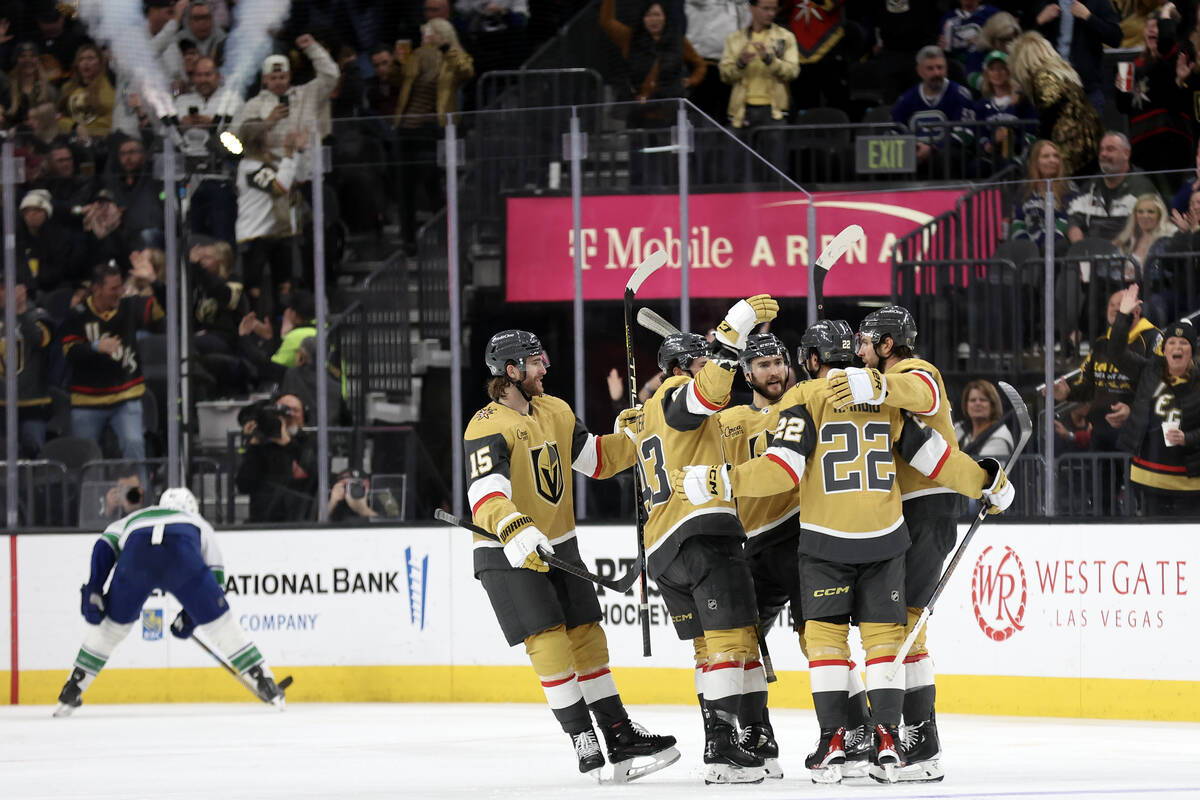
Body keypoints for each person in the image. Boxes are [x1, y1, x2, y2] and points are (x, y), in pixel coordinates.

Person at [675, 313, 1012, 785]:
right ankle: (888, 742)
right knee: (885, 641)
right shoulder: (879, 395)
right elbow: (932, 456)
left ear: (808, 361)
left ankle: (834, 742)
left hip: (825, 540)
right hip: (886, 536)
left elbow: (782, 469)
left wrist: (721, 480)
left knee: (828, 643)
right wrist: (985, 480)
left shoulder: (808, 396)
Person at [463, 329, 679, 781]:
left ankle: (620, 735)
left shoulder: (555, 410)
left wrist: (632, 435)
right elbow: (485, 492)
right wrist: (512, 524)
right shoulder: (486, 424)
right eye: (536, 361)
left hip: (559, 544)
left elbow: (596, 461)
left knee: (587, 636)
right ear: (511, 371)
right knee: (549, 641)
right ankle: (583, 739)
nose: (545, 367)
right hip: (506, 552)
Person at [620, 296, 780, 784]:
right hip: (700, 535)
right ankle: (722, 746)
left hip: (664, 548)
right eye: (700, 362)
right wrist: (733, 330)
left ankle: (748, 735)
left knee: (713, 650)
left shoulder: (646, 413)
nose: (710, 368)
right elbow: (708, 393)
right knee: (733, 642)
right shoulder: (675, 396)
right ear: (681, 367)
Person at [831, 305, 987, 781]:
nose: (858, 353)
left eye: (865, 343)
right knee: (900, 624)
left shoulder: (914, 371)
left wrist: (876, 383)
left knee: (909, 625)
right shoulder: (884, 381)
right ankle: (917, 737)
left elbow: (922, 392)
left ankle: (922, 740)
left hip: (930, 508)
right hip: (906, 512)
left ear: (886, 344)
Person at [718, 328, 872, 780]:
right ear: (746, 372)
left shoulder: (804, 402)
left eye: (779, 362)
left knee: (819, 638)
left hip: (800, 535)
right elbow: (682, 430)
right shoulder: (728, 421)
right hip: (749, 544)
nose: (774, 371)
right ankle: (757, 735)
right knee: (742, 642)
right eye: (763, 365)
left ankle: (857, 728)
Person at [54, 487, 285, 716]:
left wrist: (95, 585)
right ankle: (264, 682)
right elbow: (216, 581)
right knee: (221, 626)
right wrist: (190, 617)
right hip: (181, 558)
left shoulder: (135, 517)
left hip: (136, 559)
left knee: (111, 629)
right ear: (192, 507)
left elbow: (104, 545)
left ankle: (72, 687)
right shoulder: (198, 522)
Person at [61, 262, 164, 463]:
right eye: (114, 288)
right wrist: (95, 347)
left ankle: (137, 493)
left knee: (134, 443)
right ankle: (89, 494)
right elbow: (69, 352)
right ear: (96, 289)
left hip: (126, 396)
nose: (120, 292)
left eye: (121, 286)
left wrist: (154, 281)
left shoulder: (130, 305)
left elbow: (168, 306)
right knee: (84, 457)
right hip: (87, 400)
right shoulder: (77, 315)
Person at [1112, 285, 1200, 515]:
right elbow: (1116, 352)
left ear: (1192, 351)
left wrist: (1187, 437)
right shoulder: (1149, 370)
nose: (1177, 347)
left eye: (1184, 343)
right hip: (1149, 478)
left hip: (1190, 484)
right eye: (1172, 342)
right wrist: (1123, 316)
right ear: (1164, 348)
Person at [392, 18, 474, 253]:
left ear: (442, 35)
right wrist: (398, 65)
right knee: (404, 187)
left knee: (432, 183)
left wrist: (446, 48)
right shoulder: (416, 57)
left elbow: (467, 71)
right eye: (424, 35)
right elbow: (397, 82)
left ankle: (446, 238)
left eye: (429, 34)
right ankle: (408, 241)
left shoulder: (453, 58)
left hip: (433, 128)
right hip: (407, 128)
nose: (425, 39)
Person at [1050, 287, 1161, 451]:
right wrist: (1068, 393)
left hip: (1138, 436)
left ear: (1136, 310)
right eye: (1112, 305)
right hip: (1100, 435)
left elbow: (1159, 386)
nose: (1116, 309)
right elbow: (1089, 385)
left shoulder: (1153, 338)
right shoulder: (1102, 342)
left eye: (1121, 304)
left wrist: (1132, 409)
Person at [232, 35, 340, 183]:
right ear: (265, 79)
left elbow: (331, 76)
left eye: (282, 77)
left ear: (289, 76)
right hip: (268, 174)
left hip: (305, 172)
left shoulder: (307, 94)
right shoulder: (253, 105)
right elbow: (238, 137)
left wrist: (312, 48)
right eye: (273, 78)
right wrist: (267, 122)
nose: (278, 82)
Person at [234, 121, 307, 313]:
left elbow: (297, 178)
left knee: (284, 283)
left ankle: (282, 323)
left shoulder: (273, 161)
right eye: (268, 133)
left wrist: (298, 152)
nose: (273, 135)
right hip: (255, 233)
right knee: (255, 286)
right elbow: (279, 188)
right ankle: (255, 326)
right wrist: (289, 155)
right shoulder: (249, 167)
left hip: (279, 232)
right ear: (259, 139)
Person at [1008, 31, 1104, 177]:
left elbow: (1051, 106)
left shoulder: (1044, 76)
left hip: (1072, 148)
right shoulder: (1062, 73)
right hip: (1090, 143)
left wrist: (1041, 140)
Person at [598, 0, 706, 126]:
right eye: (648, 15)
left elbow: (700, 65)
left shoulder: (678, 41)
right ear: (642, 18)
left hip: (669, 111)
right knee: (639, 143)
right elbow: (606, 22)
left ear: (665, 17)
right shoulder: (630, 38)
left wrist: (691, 80)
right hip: (638, 110)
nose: (653, 19)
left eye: (657, 15)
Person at [718, 0, 799, 138]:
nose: (771, 13)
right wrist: (741, 63)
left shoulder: (785, 37)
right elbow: (725, 75)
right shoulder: (735, 39)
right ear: (752, 8)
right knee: (739, 158)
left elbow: (792, 72)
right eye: (766, 9)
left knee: (773, 159)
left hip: (774, 112)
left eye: (774, 9)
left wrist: (769, 60)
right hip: (741, 113)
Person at [890, 46, 977, 177]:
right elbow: (894, 131)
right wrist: (913, 148)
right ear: (920, 71)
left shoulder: (960, 95)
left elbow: (965, 134)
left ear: (946, 69)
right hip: (916, 152)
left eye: (940, 67)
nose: (936, 73)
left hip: (948, 154)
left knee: (943, 157)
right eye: (930, 68)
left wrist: (933, 148)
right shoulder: (906, 99)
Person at [234, 394, 317, 522]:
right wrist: (254, 444)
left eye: (295, 410)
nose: (289, 415)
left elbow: (315, 479)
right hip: (263, 523)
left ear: (304, 417)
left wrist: (288, 444)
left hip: (300, 523)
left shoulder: (310, 443)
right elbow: (244, 486)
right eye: (282, 410)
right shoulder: (261, 446)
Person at [1068, 132, 1163, 243]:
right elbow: (1073, 220)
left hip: (1128, 253)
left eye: (1110, 149)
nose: (1103, 154)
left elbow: (1152, 227)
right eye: (1101, 149)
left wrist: (1115, 249)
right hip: (1090, 252)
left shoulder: (1142, 186)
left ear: (1126, 154)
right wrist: (1080, 246)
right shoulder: (1090, 186)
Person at [1034, 0, 1123, 112]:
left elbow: (1116, 38)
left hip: (1087, 90)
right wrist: (1039, 21)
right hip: (1051, 87)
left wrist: (1088, 17)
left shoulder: (1097, 2)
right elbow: (1022, 40)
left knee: (1089, 129)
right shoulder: (1045, 3)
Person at [0, 280, 54, 458]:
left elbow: (41, 341)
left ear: (21, 290)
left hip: (32, 404)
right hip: (2, 404)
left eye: (3, 288)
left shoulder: (39, 316)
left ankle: (34, 487)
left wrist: (20, 313)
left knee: (33, 457)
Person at [1011, 139, 1078, 253]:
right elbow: (1018, 220)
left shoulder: (1068, 187)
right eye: (1046, 156)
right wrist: (1024, 243)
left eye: (1056, 156)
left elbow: (1067, 219)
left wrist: (1045, 241)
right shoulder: (1025, 188)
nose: (1052, 160)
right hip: (1029, 247)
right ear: (1035, 161)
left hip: (1056, 245)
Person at [55, 44, 116, 141]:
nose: (85, 63)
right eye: (81, 59)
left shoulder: (110, 83)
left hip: (105, 139)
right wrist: (75, 126)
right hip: (74, 140)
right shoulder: (67, 88)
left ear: (100, 63)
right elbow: (57, 115)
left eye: (90, 58)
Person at [954, 379, 1015, 461]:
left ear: (993, 405)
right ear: (966, 405)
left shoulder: (1000, 436)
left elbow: (982, 470)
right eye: (972, 400)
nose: (977, 403)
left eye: (983, 400)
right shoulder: (959, 430)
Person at [1113, 193, 1173, 265]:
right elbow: (1112, 268)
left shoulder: (1167, 240)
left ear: (1160, 215)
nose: (1145, 216)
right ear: (1135, 215)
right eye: (1140, 212)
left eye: (1150, 212)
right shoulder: (1127, 240)